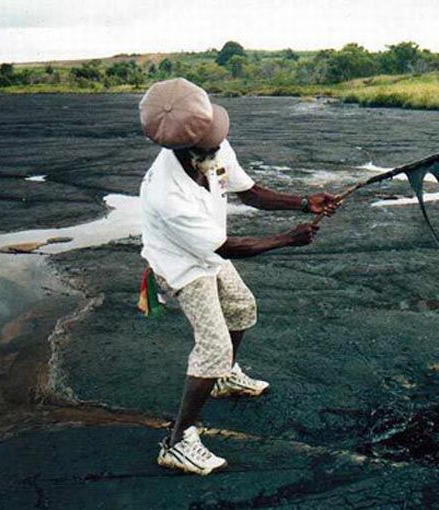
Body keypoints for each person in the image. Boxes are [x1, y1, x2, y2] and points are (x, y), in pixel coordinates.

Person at [138, 78, 339, 475]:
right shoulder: (167, 195)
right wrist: (287, 239)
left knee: (241, 307)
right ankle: (177, 441)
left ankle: (223, 377)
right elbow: (226, 248)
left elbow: (249, 192)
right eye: (211, 148)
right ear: (187, 151)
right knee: (211, 346)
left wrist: (302, 203)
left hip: (208, 250)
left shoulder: (211, 145)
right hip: (181, 265)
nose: (219, 149)